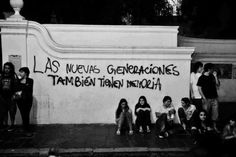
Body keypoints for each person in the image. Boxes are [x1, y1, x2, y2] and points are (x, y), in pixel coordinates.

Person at [197, 63, 220, 132]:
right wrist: (203, 97)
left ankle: (214, 127)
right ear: (209, 69)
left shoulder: (212, 76)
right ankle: (204, 127)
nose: (213, 70)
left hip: (214, 98)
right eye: (212, 68)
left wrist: (215, 77)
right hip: (206, 99)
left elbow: (217, 84)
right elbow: (199, 88)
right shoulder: (201, 77)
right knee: (205, 114)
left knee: (215, 114)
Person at [14, 67, 34, 133]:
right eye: (19, 71)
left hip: (28, 101)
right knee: (23, 114)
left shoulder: (30, 80)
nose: (20, 73)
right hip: (20, 101)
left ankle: (27, 129)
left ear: (26, 73)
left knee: (26, 114)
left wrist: (22, 88)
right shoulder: (18, 81)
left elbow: (28, 89)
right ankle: (25, 128)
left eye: (21, 72)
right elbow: (16, 89)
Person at [0, 62, 18, 131]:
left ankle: (12, 125)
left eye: (8, 68)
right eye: (5, 68)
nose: (6, 69)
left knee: (12, 112)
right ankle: (5, 125)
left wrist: (14, 95)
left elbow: (16, 86)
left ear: (11, 69)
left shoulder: (13, 75)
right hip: (2, 97)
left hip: (11, 97)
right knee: (4, 112)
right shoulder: (1, 75)